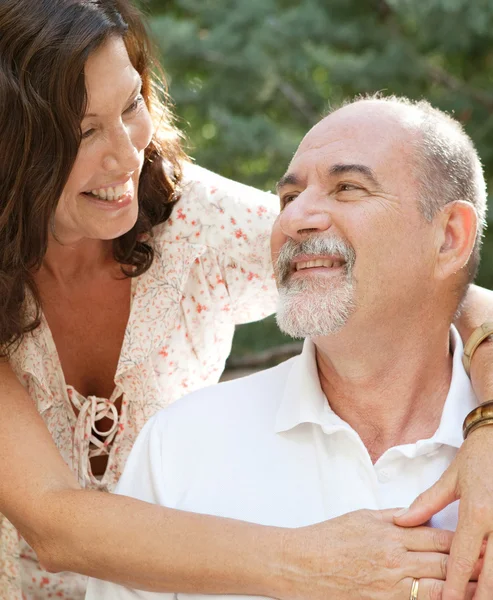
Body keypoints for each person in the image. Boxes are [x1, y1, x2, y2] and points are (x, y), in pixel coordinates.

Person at [0, 0, 493, 598]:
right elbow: (53, 521)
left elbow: (411, 270)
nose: (128, 155)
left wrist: (486, 426)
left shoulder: (199, 225)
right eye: (83, 131)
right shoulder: (188, 449)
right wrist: (314, 565)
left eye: (130, 105)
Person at [86, 96, 491, 600]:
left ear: (450, 237)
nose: (295, 218)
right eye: (287, 198)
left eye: (347, 188)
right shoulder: (181, 445)